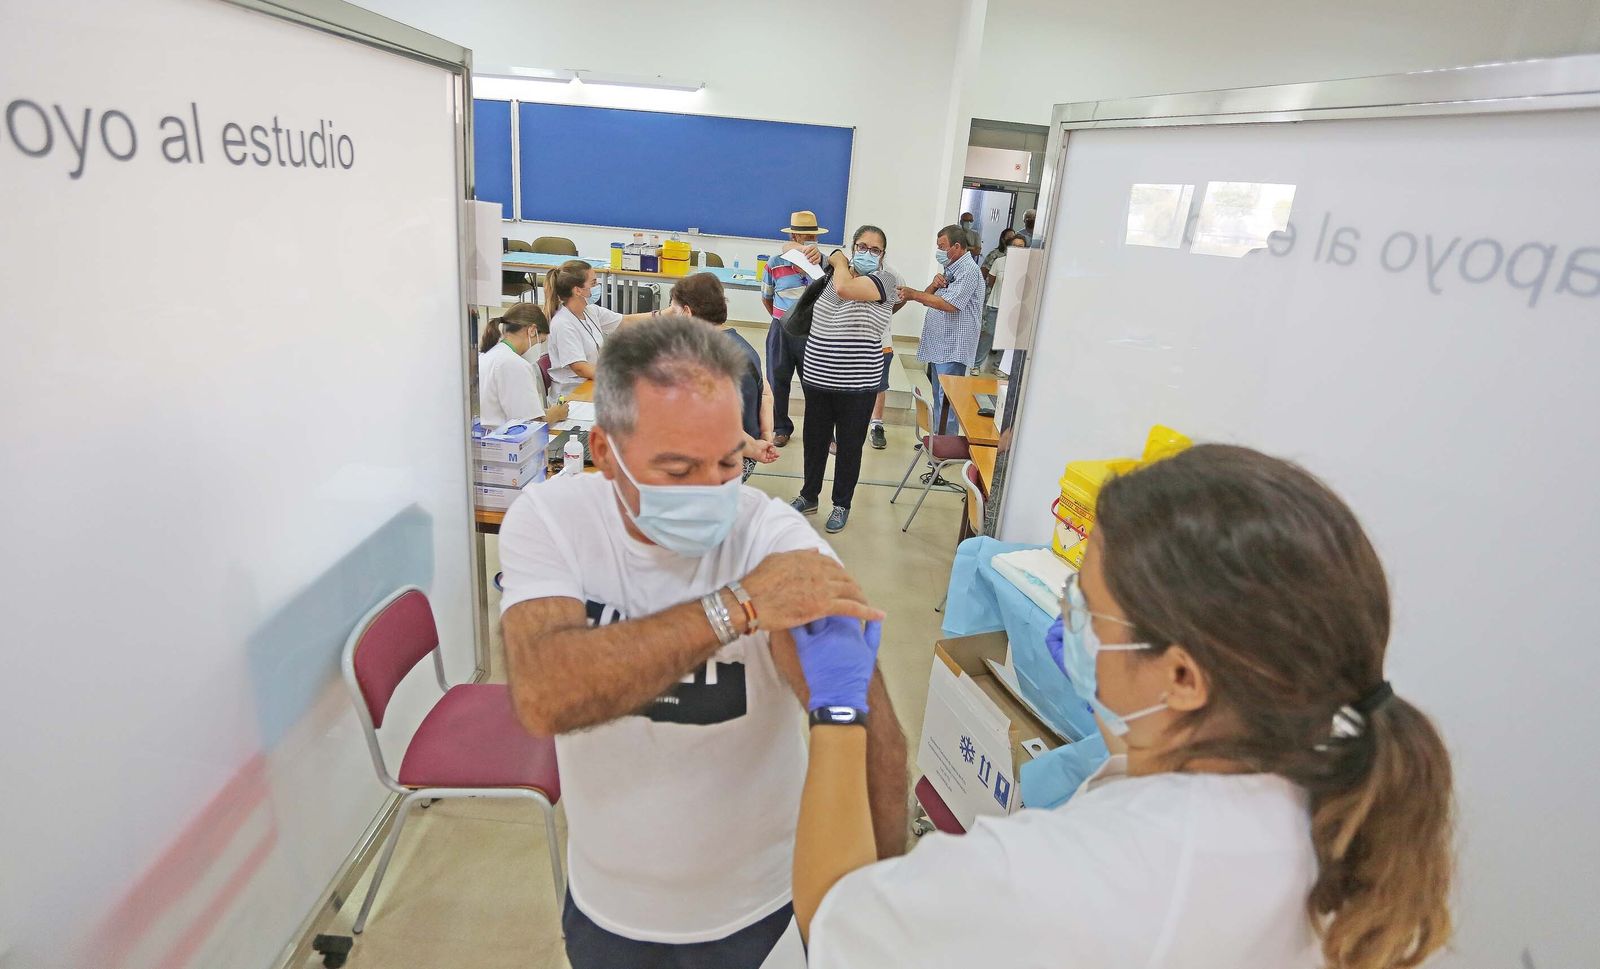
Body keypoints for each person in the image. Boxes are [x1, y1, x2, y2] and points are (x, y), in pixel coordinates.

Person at [786, 444, 1456, 969]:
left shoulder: (1068, 876)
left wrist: (841, 706)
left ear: (1184, 676)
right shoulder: (1336, 783)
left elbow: (838, 915)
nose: (1070, 621)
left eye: (1091, 611)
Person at [498, 315, 909, 969]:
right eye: (677, 468)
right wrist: (735, 608)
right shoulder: (553, 521)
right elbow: (546, 692)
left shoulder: (773, 540)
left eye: (727, 461)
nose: (711, 489)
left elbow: (871, 737)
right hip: (609, 906)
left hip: (757, 910)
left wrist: (873, 915)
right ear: (604, 451)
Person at [789, 225, 903, 534]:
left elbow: (845, 289)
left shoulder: (886, 280)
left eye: (875, 249)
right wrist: (825, 256)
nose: (867, 253)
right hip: (818, 379)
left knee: (849, 447)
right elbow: (825, 271)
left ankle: (842, 504)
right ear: (853, 247)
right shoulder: (832, 274)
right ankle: (808, 495)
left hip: (858, 385)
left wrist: (837, 260)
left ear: (883, 255)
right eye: (862, 246)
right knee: (814, 442)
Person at [666, 271, 780, 481]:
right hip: (745, 458)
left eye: (675, 312)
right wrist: (765, 437)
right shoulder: (742, 346)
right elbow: (766, 394)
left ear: (687, 312)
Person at [898, 225, 984, 434]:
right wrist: (933, 285)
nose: (939, 251)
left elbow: (951, 305)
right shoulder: (952, 268)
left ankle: (945, 444)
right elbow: (930, 299)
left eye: (942, 246)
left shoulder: (968, 271)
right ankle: (937, 440)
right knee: (938, 395)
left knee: (948, 401)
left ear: (956, 246)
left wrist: (913, 294)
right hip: (940, 344)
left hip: (953, 346)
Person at [544, 259, 655, 400]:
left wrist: (666, 313)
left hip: (592, 384)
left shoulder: (590, 311)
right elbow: (580, 367)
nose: (597, 287)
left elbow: (625, 321)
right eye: (593, 283)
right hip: (572, 395)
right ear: (578, 290)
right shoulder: (563, 324)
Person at [761, 210, 827, 447]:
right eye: (803, 236)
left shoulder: (825, 262)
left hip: (814, 331)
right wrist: (785, 319)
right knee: (777, 379)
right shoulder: (775, 263)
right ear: (794, 236)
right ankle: (780, 428)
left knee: (817, 383)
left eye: (813, 236)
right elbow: (767, 297)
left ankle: (820, 431)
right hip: (781, 329)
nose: (809, 241)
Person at [477, 305, 567, 428]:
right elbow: (531, 426)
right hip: (506, 441)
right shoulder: (515, 365)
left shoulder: (487, 355)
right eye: (540, 341)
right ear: (531, 330)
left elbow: (515, 411)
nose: (538, 348)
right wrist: (556, 414)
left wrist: (545, 413)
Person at [975, 233, 1026, 373]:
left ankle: (1000, 367)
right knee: (988, 335)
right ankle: (976, 364)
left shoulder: (1026, 265)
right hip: (995, 304)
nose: (1018, 249)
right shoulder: (999, 261)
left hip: (1014, 308)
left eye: (1021, 247)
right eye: (1015, 246)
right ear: (1009, 247)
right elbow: (991, 280)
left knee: (1007, 338)